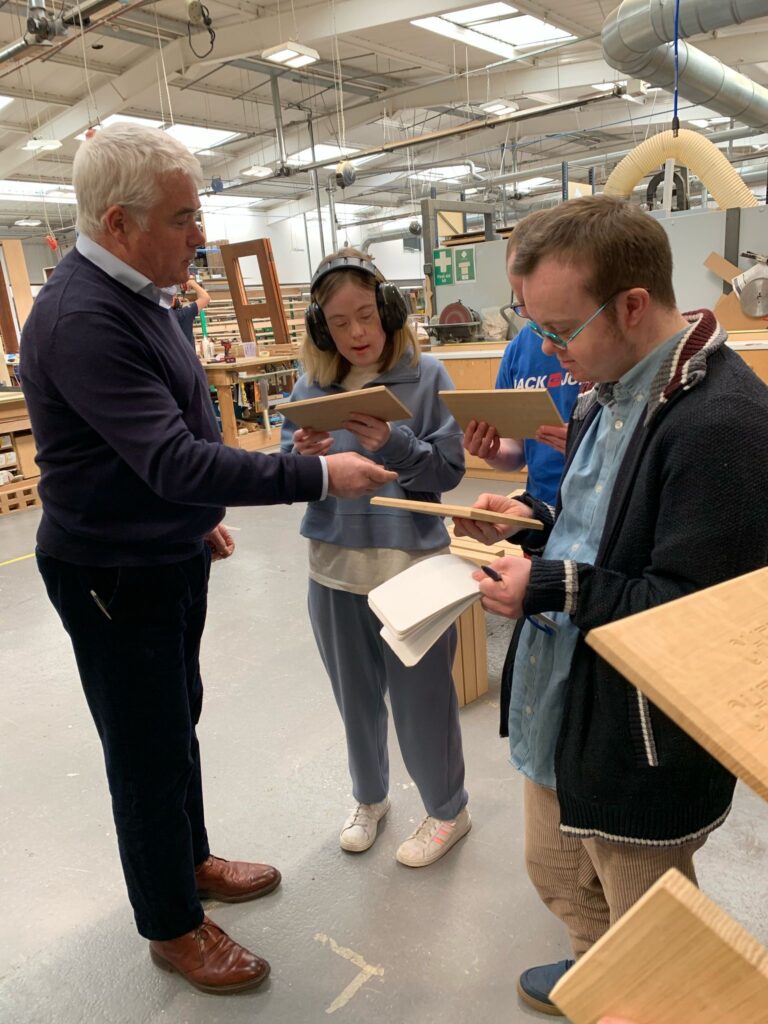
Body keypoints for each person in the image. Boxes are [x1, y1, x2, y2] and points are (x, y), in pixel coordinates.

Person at [19, 125, 397, 996]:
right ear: (119, 223)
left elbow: (168, 435)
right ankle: (171, 925)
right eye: (184, 217)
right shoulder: (83, 317)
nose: (200, 235)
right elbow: (172, 459)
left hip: (158, 549)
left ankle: (186, 861)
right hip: (111, 571)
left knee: (172, 719)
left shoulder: (142, 292)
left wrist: (190, 522)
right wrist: (315, 473)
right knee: (145, 747)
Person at [453, 195, 768, 1016]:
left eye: (559, 332)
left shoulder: (724, 426)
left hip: (640, 740)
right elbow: (602, 529)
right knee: (559, 874)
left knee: (650, 926)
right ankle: (595, 974)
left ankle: (633, 993)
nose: (550, 356)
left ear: (632, 305)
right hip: (570, 706)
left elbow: (689, 614)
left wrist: (546, 586)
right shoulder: (609, 387)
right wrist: (537, 525)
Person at [280, 248, 471, 868]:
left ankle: (448, 810)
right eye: (339, 322)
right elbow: (289, 469)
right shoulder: (312, 385)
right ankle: (371, 799)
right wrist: (302, 457)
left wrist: (396, 442)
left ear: (389, 311)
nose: (357, 333)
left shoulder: (428, 375)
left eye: (366, 315)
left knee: (423, 704)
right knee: (354, 700)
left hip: (412, 570)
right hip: (333, 569)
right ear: (320, 328)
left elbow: (447, 469)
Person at [463, 224, 579, 506]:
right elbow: (517, 452)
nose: (547, 345)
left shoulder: (594, 346)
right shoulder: (518, 351)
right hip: (541, 510)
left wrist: (586, 447)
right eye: (521, 302)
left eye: (535, 301)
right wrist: (493, 451)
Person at [172, 275, 211, 347]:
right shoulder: (183, 314)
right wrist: (192, 282)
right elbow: (205, 298)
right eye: (175, 296)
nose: (178, 298)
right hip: (186, 356)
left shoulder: (164, 314)